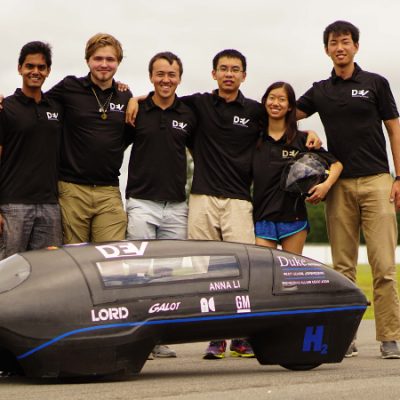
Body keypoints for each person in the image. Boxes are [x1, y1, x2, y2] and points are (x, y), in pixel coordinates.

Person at [297, 20, 400, 359]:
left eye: (345, 41)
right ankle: (346, 337)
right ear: (326, 49)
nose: (339, 47)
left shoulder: (376, 83)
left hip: (377, 181)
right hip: (337, 184)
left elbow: (394, 131)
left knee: (384, 266)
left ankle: (389, 338)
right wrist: (306, 136)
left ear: (356, 46)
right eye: (333, 42)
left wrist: (399, 177)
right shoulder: (320, 90)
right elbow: (281, 114)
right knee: (342, 270)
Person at [125, 51, 196, 358]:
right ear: (151, 76)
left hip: (176, 206)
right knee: (140, 273)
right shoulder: (136, 109)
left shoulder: (190, 112)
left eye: (171, 75)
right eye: (160, 74)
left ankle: (158, 339)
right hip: (141, 202)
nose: (166, 80)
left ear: (179, 78)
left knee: (166, 276)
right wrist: (135, 99)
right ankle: (136, 337)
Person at [47, 33, 132, 244]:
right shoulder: (69, 87)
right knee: (74, 260)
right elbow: (36, 102)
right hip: (71, 189)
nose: (104, 64)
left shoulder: (124, 95)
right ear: (88, 61)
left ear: (118, 63)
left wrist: (137, 99)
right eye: (98, 59)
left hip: (109, 191)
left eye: (110, 59)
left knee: (111, 259)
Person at [253, 81, 342, 254]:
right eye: (271, 98)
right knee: (266, 274)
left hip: (294, 219)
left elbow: (336, 164)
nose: (276, 103)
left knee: (292, 275)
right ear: (264, 102)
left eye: (282, 99)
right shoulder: (254, 138)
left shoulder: (302, 139)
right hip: (263, 218)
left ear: (290, 107)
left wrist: (325, 186)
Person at [0, 41, 62, 260]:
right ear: (20, 69)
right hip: (13, 205)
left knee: (49, 272)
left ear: (48, 71)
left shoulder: (56, 108)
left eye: (41, 67)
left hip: (50, 205)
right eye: (30, 66)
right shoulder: (6, 108)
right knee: (8, 272)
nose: (35, 71)